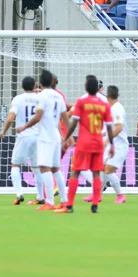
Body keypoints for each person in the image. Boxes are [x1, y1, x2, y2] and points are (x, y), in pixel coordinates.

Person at [56, 75, 114, 214]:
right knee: (96, 173)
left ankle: (69, 205)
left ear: (86, 87)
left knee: (75, 171)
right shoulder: (104, 104)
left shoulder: (81, 101)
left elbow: (73, 122)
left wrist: (66, 138)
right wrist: (112, 144)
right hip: (98, 142)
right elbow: (110, 126)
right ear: (99, 89)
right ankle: (94, 205)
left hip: (84, 142)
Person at [16, 70, 70, 211]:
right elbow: (64, 117)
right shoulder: (58, 96)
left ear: (40, 83)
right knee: (55, 169)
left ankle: (50, 202)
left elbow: (38, 116)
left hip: (45, 137)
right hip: (57, 136)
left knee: (44, 168)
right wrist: (69, 136)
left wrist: (24, 127)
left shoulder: (42, 96)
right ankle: (64, 201)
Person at [0, 76, 45, 206]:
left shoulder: (18, 99)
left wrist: (4, 131)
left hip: (23, 136)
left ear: (21, 86)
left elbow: (10, 118)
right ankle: (40, 196)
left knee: (15, 165)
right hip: (37, 136)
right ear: (34, 86)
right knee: (37, 168)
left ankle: (19, 194)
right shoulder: (39, 98)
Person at [83, 85, 128, 204]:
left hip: (119, 145)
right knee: (101, 168)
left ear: (107, 96)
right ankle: (97, 195)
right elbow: (111, 127)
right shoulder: (112, 108)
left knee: (107, 170)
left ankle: (120, 195)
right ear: (118, 95)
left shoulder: (117, 108)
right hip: (112, 144)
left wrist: (107, 140)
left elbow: (119, 127)